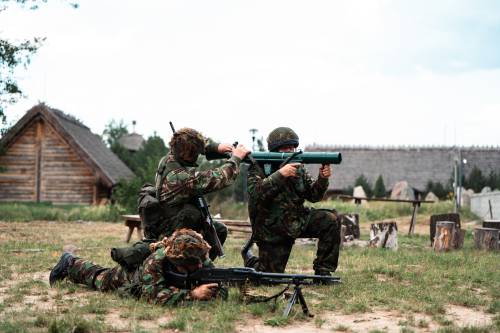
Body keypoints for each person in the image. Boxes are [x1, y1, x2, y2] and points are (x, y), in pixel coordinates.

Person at [243, 127, 341, 277]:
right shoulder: (259, 166)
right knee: (268, 276)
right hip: (272, 228)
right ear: (275, 149)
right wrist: (280, 174)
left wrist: (323, 178)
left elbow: (313, 196)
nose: (291, 150)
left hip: (297, 220)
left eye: (294, 147)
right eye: (286, 147)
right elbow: (257, 194)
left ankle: (323, 271)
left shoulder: (298, 167)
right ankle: (250, 259)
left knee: (330, 220)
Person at [49, 229, 225, 304]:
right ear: (180, 264)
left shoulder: (196, 254)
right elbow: (153, 296)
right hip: (131, 276)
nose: (201, 265)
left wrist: (216, 290)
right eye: (195, 265)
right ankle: (70, 262)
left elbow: (220, 286)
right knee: (99, 279)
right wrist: (192, 294)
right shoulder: (155, 262)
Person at [149, 127, 249, 260]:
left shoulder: (172, 155)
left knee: (218, 230)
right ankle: (194, 268)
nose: (197, 155)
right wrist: (236, 158)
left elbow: (193, 140)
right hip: (171, 232)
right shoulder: (180, 177)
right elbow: (218, 177)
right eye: (195, 153)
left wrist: (217, 147)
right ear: (186, 153)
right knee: (205, 225)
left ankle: (200, 265)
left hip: (173, 220)